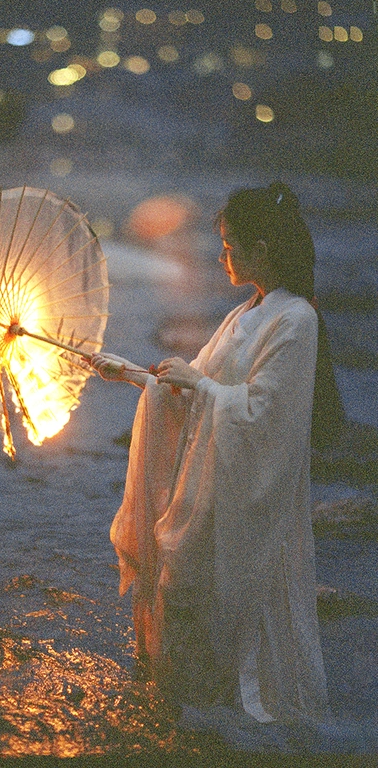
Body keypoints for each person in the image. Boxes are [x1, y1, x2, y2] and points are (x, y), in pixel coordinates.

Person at [91, 182, 344, 734]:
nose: (223, 255)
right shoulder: (241, 316)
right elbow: (189, 386)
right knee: (184, 590)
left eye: (231, 245)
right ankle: (185, 715)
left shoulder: (296, 320)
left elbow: (264, 417)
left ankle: (234, 722)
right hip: (209, 486)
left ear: (263, 249)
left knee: (227, 603)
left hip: (246, 494)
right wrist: (130, 374)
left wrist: (197, 386)